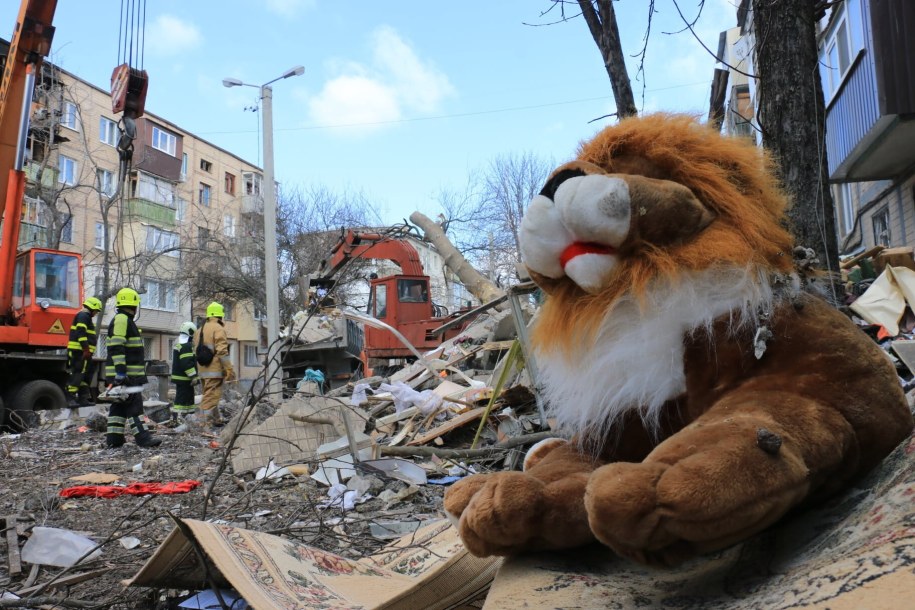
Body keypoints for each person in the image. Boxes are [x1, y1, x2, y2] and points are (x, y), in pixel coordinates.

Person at [104, 287, 161, 448]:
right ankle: (143, 438)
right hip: (127, 375)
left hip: (121, 374)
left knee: (119, 407)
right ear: (134, 305)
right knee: (134, 406)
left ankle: (114, 440)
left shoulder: (122, 319)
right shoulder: (122, 319)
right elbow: (117, 345)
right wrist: (121, 371)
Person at [195, 301, 235, 427]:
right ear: (220, 315)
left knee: (210, 395)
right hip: (214, 370)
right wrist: (229, 369)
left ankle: (216, 420)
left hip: (202, 370)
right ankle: (202, 424)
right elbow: (222, 351)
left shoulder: (199, 330)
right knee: (211, 398)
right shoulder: (218, 328)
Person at [66, 296, 102, 407]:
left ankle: (83, 398)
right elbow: (80, 332)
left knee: (85, 375)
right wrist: (86, 349)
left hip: (83, 352)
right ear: (92, 308)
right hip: (79, 352)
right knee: (77, 374)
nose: (96, 313)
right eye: (96, 311)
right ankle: (70, 398)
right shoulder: (83, 316)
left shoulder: (85, 317)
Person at [169, 321, 198, 425]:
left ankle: (186, 419)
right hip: (185, 379)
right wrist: (193, 376)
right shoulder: (186, 346)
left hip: (182, 379)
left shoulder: (181, 344)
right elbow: (187, 363)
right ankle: (177, 420)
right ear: (190, 333)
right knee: (181, 400)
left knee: (187, 400)